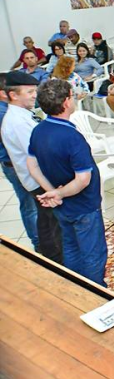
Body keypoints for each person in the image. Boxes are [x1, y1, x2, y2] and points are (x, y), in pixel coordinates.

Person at [28, 78, 107, 281]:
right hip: (83, 206)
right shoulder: (71, 137)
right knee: (93, 255)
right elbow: (82, 179)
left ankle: (76, 286)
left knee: (71, 248)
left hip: (62, 206)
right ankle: (96, 295)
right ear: (66, 102)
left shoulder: (38, 130)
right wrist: (58, 193)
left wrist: (52, 192)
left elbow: (31, 165)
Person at [0, 74, 40, 251]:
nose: (34, 95)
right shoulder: (14, 120)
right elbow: (35, 153)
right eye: (30, 91)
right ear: (11, 94)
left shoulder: (20, 114)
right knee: (32, 209)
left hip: (23, 168)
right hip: (25, 171)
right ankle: (40, 245)